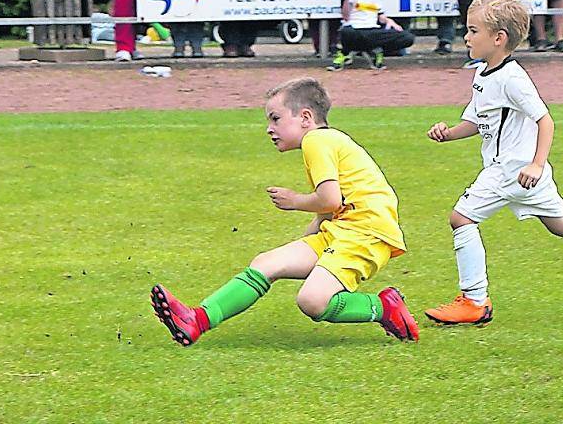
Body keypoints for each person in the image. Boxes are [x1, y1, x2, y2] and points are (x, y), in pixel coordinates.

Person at [150, 77, 420, 347]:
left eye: (276, 119)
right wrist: (305, 243)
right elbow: (328, 212)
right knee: (267, 263)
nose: (269, 129)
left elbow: (330, 200)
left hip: (367, 233)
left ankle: (383, 307)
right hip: (345, 230)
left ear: (305, 117)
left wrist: (295, 200)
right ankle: (196, 319)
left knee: (312, 301)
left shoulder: (316, 141)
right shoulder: (326, 141)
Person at [424, 0, 563, 325]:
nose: (466, 37)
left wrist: (536, 164)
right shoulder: (482, 73)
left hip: (511, 169)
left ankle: (474, 300)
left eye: (473, 30)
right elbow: (479, 121)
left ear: (499, 38)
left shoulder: (513, 78)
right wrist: (448, 133)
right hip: (523, 173)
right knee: (561, 225)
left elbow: (545, 120)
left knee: (461, 218)